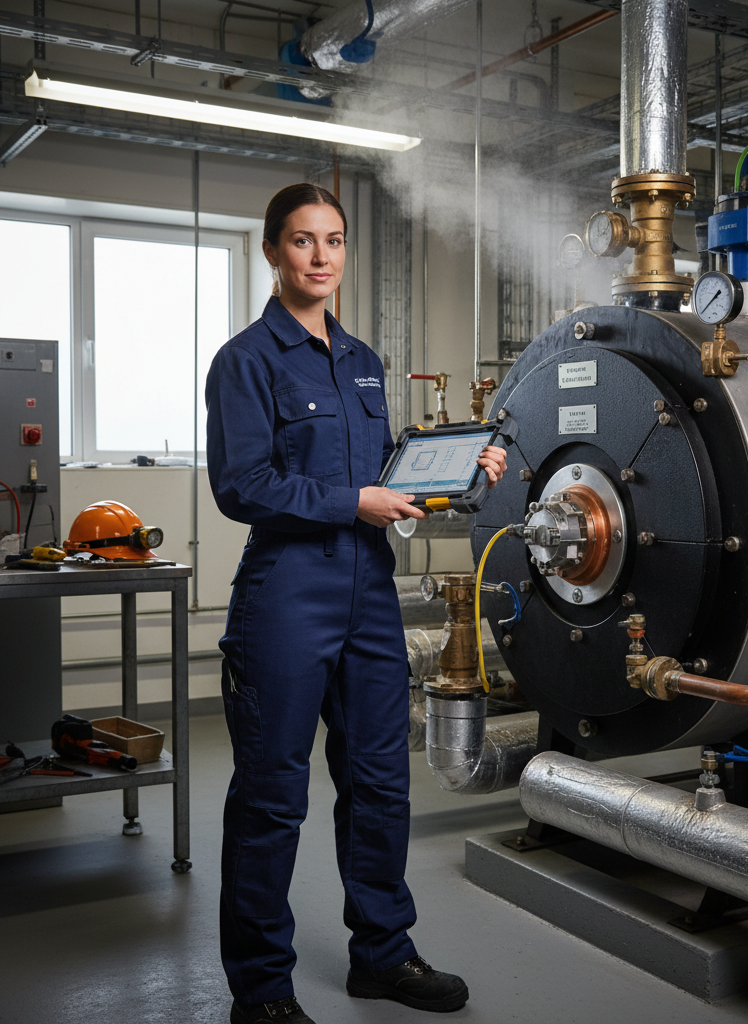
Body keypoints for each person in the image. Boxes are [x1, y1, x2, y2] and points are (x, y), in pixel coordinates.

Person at [205, 182, 506, 1024]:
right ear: (273, 250)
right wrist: (354, 503)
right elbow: (241, 485)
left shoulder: (363, 359)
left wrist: (461, 473)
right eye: (303, 240)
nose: (321, 256)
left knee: (380, 782)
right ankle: (261, 990)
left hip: (370, 591)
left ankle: (382, 954)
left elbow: (385, 481)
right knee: (272, 796)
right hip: (286, 594)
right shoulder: (246, 360)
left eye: (334, 240)